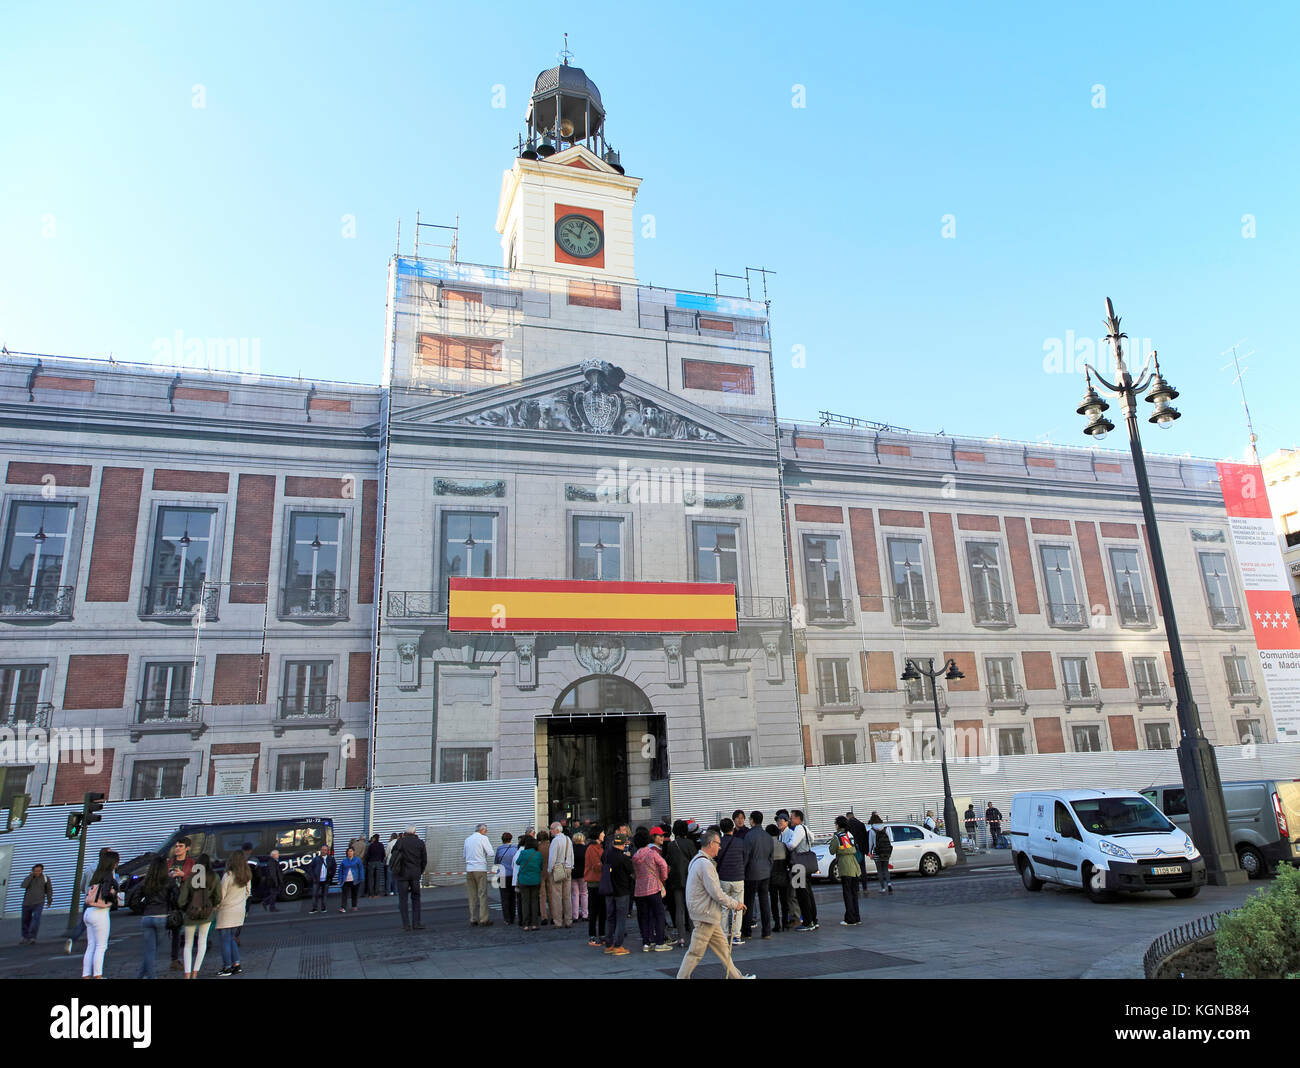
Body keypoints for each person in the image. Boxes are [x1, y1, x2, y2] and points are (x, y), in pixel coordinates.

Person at [675, 829, 754, 979]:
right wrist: (735, 904)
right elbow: (716, 893)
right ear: (711, 843)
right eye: (718, 844)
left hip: (707, 914)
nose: (720, 847)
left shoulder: (697, 860)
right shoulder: (705, 865)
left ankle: (738, 977)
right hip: (705, 915)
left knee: (724, 950)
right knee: (695, 953)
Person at [128, 855, 172, 979]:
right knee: (152, 950)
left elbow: (135, 900)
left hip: (147, 916)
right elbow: (176, 897)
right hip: (162, 915)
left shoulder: (146, 881)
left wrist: (143, 909)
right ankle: (151, 977)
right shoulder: (169, 881)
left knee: (149, 950)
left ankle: (140, 975)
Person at [178, 852, 220, 979]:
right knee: (202, 942)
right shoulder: (214, 877)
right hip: (207, 914)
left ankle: (187, 973)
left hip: (191, 915)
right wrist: (212, 906)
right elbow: (218, 897)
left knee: (188, 944)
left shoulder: (191, 878)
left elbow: (181, 900)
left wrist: (187, 909)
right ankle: (195, 973)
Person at [81, 851, 119, 979]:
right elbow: (107, 893)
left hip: (89, 911)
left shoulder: (97, 874)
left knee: (90, 945)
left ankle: (86, 975)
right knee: (101, 946)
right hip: (100, 913)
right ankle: (98, 976)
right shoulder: (108, 876)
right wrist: (114, 893)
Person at [633, 826, 672, 952]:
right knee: (659, 914)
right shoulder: (652, 853)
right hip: (653, 888)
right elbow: (664, 865)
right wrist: (662, 878)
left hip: (639, 890)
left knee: (644, 916)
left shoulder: (635, 856)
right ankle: (660, 942)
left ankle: (646, 942)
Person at [215, 850, 253, 975]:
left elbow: (221, 895)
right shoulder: (247, 875)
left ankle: (227, 967)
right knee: (231, 938)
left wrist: (216, 907)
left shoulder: (228, 875)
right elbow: (248, 893)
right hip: (239, 910)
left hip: (227, 911)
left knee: (225, 940)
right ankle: (236, 964)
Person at [783, 810, 819, 930]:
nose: (790, 820)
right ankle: (814, 919)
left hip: (798, 865)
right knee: (808, 892)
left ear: (798, 818)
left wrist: (785, 844)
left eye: (792, 817)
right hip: (807, 864)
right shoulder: (805, 828)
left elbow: (792, 845)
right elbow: (812, 839)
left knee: (801, 893)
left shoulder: (798, 829)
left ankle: (808, 922)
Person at [741, 810, 773, 940]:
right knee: (765, 902)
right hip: (765, 872)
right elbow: (771, 856)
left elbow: (746, 856)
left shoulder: (749, 836)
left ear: (752, 820)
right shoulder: (767, 836)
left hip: (751, 873)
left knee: (748, 901)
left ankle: (747, 932)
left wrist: (742, 870)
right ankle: (766, 931)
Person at [715, 818, 747, 945]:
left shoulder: (719, 843)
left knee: (724, 907)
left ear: (721, 830)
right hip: (738, 877)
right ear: (732, 828)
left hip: (723, 878)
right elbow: (746, 857)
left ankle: (723, 935)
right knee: (737, 907)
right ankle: (736, 936)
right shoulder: (740, 842)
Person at [603, 832, 635, 955]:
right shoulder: (623, 858)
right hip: (622, 891)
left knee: (610, 917)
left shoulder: (606, 855)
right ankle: (618, 945)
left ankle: (609, 944)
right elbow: (631, 872)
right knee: (621, 919)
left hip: (609, 890)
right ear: (623, 844)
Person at [390, 827, 428, 930]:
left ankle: (406, 924)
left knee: (403, 899)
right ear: (414, 832)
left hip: (402, 875)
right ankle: (416, 923)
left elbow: (393, 855)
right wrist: (419, 871)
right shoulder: (420, 843)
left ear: (406, 832)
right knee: (416, 898)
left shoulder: (400, 841)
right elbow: (424, 860)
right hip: (415, 875)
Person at [663, 821, 694, 945]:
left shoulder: (671, 845)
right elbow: (694, 859)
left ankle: (681, 937)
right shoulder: (690, 843)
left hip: (676, 880)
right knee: (691, 908)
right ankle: (693, 934)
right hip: (689, 879)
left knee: (679, 909)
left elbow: (668, 862)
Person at [167, 838, 196, 969]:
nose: (177, 848)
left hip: (187, 898)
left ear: (187, 848)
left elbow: (198, 880)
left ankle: (190, 952)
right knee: (176, 929)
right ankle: (175, 959)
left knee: (190, 927)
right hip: (173, 899)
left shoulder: (192, 862)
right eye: (176, 846)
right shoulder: (169, 863)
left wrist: (184, 875)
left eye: (180, 846)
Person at [831, 816, 862, 925]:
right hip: (854, 865)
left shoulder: (837, 836)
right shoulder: (850, 834)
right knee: (854, 893)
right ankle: (857, 917)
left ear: (838, 825)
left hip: (844, 865)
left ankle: (850, 918)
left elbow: (831, 850)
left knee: (847, 893)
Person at [463, 823, 495, 927]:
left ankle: (473, 918)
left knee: (472, 895)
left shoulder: (467, 839)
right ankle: (483, 919)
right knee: (482, 894)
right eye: (486, 830)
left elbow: (464, 855)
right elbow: (490, 853)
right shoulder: (483, 838)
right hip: (480, 868)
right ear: (483, 830)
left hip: (469, 869)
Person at [774, 812, 801, 929]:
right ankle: (792, 917)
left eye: (782, 820)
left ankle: (797, 918)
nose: (779, 822)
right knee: (788, 895)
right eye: (778, 820)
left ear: (787, 822)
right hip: (785, 868)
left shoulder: (790, 833)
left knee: (793, 894)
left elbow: (790, 848)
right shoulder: (780, 834)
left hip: (794, 867)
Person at [545, 822, 574, 928]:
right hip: (568, 868)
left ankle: (558, 921)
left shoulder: (555, 841)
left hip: (558, 869)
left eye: (551, 829)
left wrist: (549, 870)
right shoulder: (568, 839)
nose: (550, 831)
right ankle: (568, 920)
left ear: (556, 829)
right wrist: (570, 866)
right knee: (567, 896)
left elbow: (552, 857)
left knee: (557, 896)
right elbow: (571, 854)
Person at [515, 834, 543, 930]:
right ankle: (534, 924)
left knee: (525, 902)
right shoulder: (538, 854)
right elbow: (541, 866)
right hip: (535, 880)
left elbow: (517, 862)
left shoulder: (523, 853)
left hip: (524, 881)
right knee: (534, 902)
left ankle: (525, 924)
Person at [19, 863, 53, 945]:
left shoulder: (45, 878)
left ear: (42, 871)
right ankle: (25, 937)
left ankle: (32, 937)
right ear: (33, 871)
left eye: (39, 871)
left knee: (36, 920)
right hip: (27, 902)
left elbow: (49, 890)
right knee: (25, 920)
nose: (37, 872)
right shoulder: (29, 878)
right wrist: (30, 877)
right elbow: (23, 885)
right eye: (36, 871)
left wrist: (49, 901)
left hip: (39, 902)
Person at [584, 828, 606, 946]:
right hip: (594, 881)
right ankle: (592, 935)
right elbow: (597, 865)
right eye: (602, 832)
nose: (603, 834)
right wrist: (608, 867)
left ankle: (602, 933)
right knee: (594, 910)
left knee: (602, 909)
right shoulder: (592, 849)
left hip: (600, 881)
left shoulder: (600, 847)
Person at [766, 825, 790, 932]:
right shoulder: (783, 845)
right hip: (783, 875)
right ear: (778, 834)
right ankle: (785, 922)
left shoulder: (766, 846)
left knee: (774, 901)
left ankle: (777, 924)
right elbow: (789, 860)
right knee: (784, 900)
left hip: (771, 876)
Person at [495, 832, 519, 925]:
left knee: (504, 898)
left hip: (502, 876)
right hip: (513, 875)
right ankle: (513, 917)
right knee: (513, 897)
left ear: (502, 840)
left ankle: (507, 919)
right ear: (511, 839)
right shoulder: (515, 849)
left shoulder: (499, 850)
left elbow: (496, 862)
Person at [868, 813, 893, 894]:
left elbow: (870, 843)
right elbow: (889, 840)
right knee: (886, 869)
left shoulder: (872, 830)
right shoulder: (886, 828)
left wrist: (870, 853)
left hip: (877, 852)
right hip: (886, 851)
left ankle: (882, 888)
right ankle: (889, 884)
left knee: (879, 870)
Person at [846, 809, 870, 892]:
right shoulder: (861, 824)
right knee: (862, 869)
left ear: (847, 817)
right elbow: (865, 838)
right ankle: (865, 887)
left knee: (854, 869)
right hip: (861, 849)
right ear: (854, 816)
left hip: (852, 849)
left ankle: (856, 888)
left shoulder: (847, 825)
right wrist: (866, 851)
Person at [307, 847, 336, 914]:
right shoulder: (316, 859)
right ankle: (314, 908)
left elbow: (334, 868)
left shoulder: (331, 859)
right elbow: (310, 868)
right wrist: (313, 877)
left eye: (325, 850)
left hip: (326, 880)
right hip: (317, 880)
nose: (323, 851)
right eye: (322, 850)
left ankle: (323, 908)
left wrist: (330, 877)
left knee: (324, 895)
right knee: (314, 895)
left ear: (327, 851)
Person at [336, 846, 364, 913]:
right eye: (348, 851)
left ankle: (354, 906)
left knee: (354, 893)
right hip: (346, 880)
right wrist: (340, 879)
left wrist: (361, 878)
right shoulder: (344, 861)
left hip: (355, 880)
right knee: (344, 894)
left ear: (353, 852)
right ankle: (343, 907)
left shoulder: (357, 860)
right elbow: (340, 870)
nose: (349, 853)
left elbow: (361, 869)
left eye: (351, 851)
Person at [570, 831, 588, 923]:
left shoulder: (571, 849)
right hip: (583, 874)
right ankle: (585, 914)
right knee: (584, 893)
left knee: (574, 894)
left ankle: (575, 915)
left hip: (573, 873)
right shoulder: (586, 848)